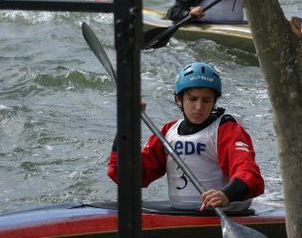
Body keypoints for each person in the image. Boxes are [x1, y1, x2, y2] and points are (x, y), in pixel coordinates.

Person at [107, 62, 264, 211]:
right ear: (179, 99)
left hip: (225, 210)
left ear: (214, 102)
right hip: (182, 211)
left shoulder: (226, 130)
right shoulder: (169, 131)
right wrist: (126, 123)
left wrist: (226, 195)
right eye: (192, 99)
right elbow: (129, 176)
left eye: (206, 100)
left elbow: (249, 174)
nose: (199, 107)